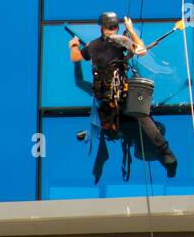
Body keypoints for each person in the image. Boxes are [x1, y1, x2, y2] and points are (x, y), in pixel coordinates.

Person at [70, 11, 178, 176]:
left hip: (105, 99)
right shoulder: (122, 41)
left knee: (108, 120)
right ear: (117, 26)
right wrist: (131, 29)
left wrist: (74, 44)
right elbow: (141, 51)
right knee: (143, 116)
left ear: (101, 27)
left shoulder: (93, 45)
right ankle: (166, 154)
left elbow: (75, 58)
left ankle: (94, 132)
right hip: (122, 94)